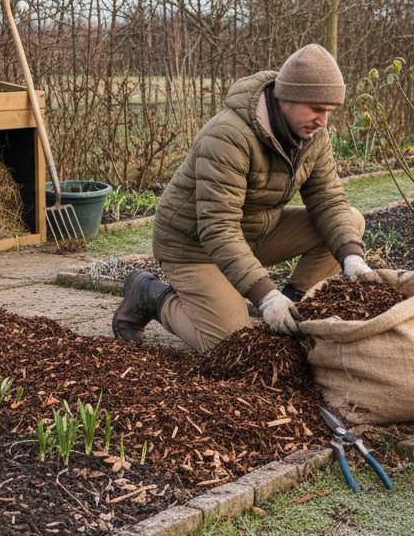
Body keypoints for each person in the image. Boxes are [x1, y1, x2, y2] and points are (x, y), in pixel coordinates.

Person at [112, 43, 373, 352]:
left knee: (349, 225)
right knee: (229, 345)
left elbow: (329, 200)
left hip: (252, 233)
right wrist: (264, 295)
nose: (323, 122)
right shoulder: (228, 136)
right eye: (317, 110)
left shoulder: (312, 136)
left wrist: (352, 257)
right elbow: (218, 228)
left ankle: (293, 307)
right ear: (286, 97)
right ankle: (151, 295)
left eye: (329, 112)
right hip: (194, 246)